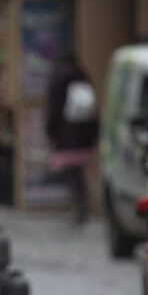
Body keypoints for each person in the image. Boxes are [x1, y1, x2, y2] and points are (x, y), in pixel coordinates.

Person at [45, 54, 99, 223]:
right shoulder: (83, 78)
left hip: (67, 133)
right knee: (79, 171)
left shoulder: (59, 80)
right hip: (85, 134)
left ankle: (78, 204)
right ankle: (83, 203)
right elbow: (93, 110)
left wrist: (51, 132)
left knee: (72, 172)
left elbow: (53, 110)